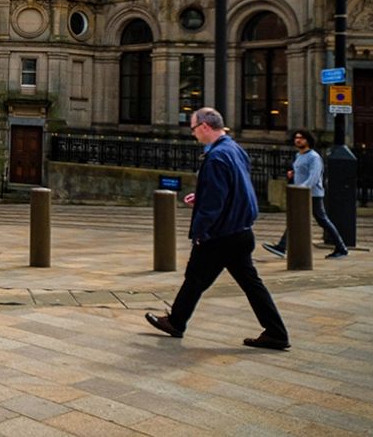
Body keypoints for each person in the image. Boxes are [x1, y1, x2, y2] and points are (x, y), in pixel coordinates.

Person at [145, 107, 290, 350]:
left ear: (204, 126)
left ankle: (176, 322)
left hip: (221, 234)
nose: (193, 135)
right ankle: (276, 332)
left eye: (193, 129)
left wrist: (200, 232)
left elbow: (215, 202)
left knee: (197, 277)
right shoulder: (235, 149)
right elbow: (230, 188)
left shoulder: (216, 157)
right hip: (240, 230)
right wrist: (201, 196)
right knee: (233, 282)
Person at [262, 129, 347, 259]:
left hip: (312, 194)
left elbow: (314, 176)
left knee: (321, 220)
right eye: (296, 138)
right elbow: (302, 173)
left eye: (301, 138)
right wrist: (292, 175)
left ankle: (341, 248)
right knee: (296, 219)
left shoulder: (314, 157)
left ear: (308, 140)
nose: (298, 140)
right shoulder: (298, 156)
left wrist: (303, 188)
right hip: (301, 193)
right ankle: (282, 246)